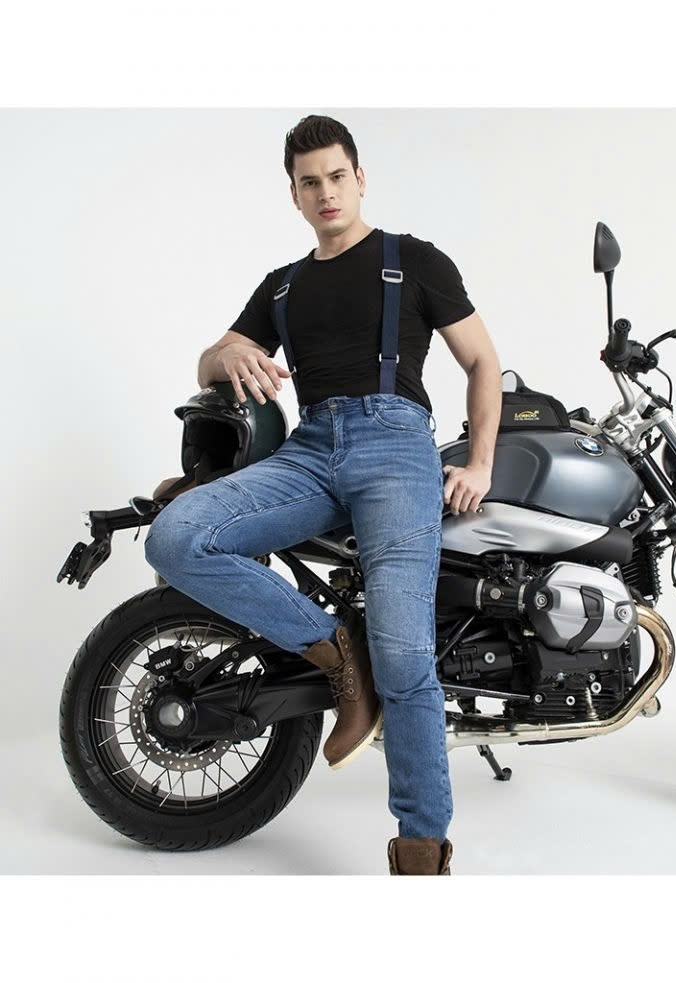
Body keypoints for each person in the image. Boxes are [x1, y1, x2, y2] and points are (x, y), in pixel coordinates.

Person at [144, 114, 502, 874]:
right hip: (309, 451)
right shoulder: (283, 285)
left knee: (403, 653)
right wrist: (225, 356)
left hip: (395, 446)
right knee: (175, 536)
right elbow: (214, 357)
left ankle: (420, 846)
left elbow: (481, 362)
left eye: (337, 176)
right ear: (295, 195)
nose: (326, 192)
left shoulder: (415, 260)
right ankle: (336, 650)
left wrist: (480, 463)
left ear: (360, 178)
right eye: (310, 182)